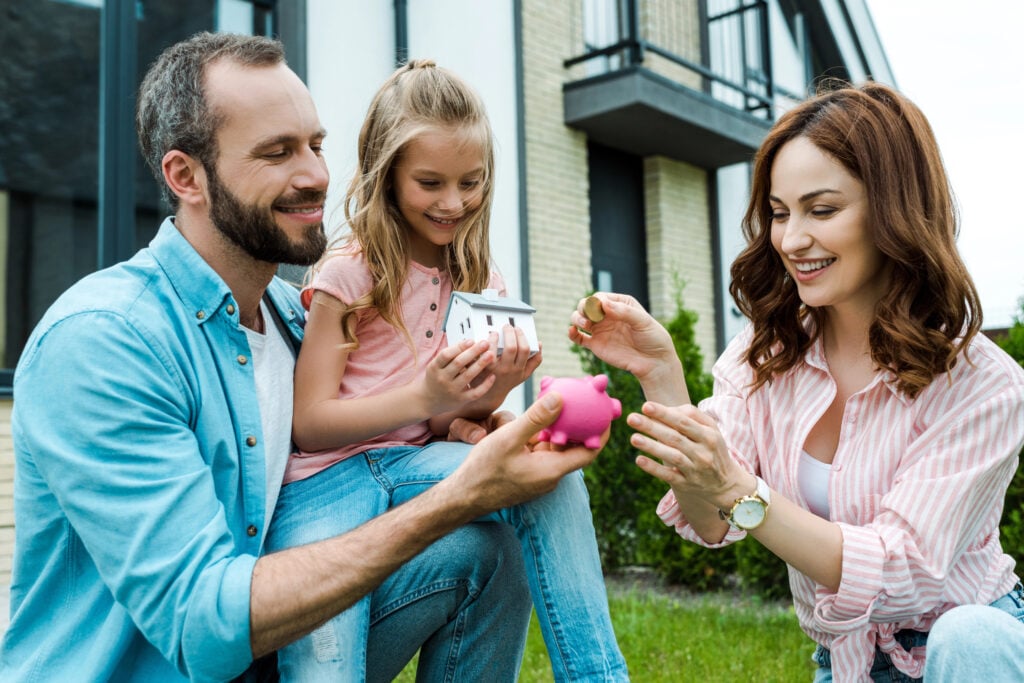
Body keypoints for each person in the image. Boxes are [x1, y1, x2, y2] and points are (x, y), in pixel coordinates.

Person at [0, 32, 606, 682]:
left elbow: (403, 433)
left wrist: (473, 419)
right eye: (277, 152)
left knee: (490, 547)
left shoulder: (297, 320)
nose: (317, 174)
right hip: (175, 661)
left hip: (265, 658)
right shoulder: (106, 342)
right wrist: (456, 492)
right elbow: (201, 624)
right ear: (186, 176)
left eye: (316, 144)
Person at [568, 80, 1024, 682]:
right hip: (846, 664)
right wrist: (662, 377)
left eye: (823, 209)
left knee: (966, 636)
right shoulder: (769, 353)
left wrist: (741, 491)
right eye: (780, 213)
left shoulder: (981, 384)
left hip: (970, 656)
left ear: (895, 210)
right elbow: (711, 521)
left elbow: (903, 569)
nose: (792, 239)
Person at [265, 60, 628, 682]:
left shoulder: (482, 281)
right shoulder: (352, 267)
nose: (454, 201)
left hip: (412, 463)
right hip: (325, 480)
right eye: (430, 182)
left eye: (472, 181)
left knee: (545, 474)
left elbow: (437, 422)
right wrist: (422, 394)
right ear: (388, 173)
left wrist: (494, 390)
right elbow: (310, 423)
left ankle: (598, 676)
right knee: (323, 656)